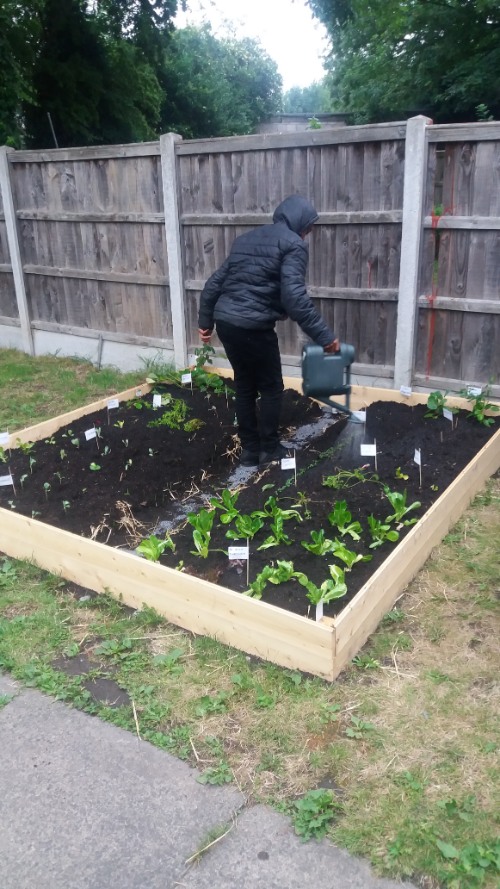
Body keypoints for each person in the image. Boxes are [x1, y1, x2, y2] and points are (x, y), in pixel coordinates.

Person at [198, 193, 339, 467]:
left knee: (244, 385)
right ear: (299, 224)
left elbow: (214, 284)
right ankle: (270, 449)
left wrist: (206, 323)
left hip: (227, 323)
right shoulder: (293, 245)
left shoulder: (245, 240)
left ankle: (250, 452)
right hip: (254, 327)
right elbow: (295, 299)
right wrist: (325, 337)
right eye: (307, 229)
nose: (306, 236)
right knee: (272, 387)